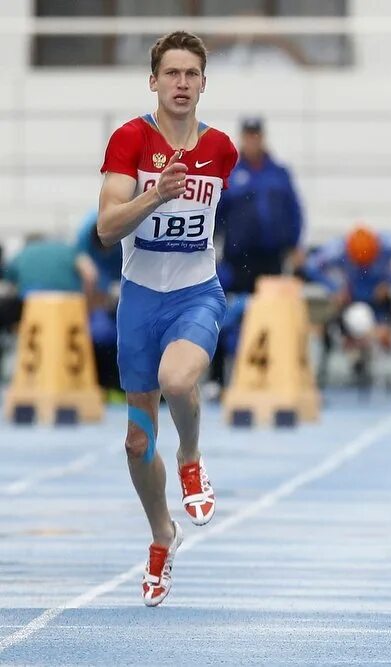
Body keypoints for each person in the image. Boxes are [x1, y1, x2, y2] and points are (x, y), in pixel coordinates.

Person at [97, 31, 238, 607]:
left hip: (194, 296)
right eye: (171, 73)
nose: (182, 84)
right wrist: (155, 196)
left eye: (191, 74)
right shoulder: (130, 139)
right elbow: (107, 229)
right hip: (139, 304)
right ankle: (162, 535)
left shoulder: (223, 149)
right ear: (153, 81)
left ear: (204, 83)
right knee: (135, 441)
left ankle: (190, 457)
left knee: (180, 380)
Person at [211, 116, 305, 391]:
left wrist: (295, 244)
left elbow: (294, 211)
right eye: (248, 136)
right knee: (227, 315)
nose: (253, 140)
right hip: (238, 260)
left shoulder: (278, 173)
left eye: (257, 135)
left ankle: (272, 377)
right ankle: (218, 379)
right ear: (243, 138)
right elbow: (216, 214)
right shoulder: (230, 173)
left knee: (270, 316)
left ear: (262, 138)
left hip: (271, 258)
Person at [304, 224, 391, 393]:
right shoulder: (337, 249)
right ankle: (324, 375)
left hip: (381, 300)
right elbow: (312, 266)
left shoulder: (389, 244)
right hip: (351, 300)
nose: (363, 268)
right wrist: (334, 288)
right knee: (331, 330)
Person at [75, 209, 124, 394]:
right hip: (100, 295)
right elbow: (88, 278)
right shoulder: (84, 241)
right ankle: (104, 384)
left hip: (122, 283)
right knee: (101, 332)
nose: (106, 254)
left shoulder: (124, 235)